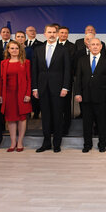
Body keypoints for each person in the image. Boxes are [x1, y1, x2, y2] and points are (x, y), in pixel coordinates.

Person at [32, 24, 71, 153]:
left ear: (58, 34)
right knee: (46, 117)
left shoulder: (63, 50)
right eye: (49, 32)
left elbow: (67, 70)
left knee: (58, 116)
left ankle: (57, 143)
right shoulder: (38, 49)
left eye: (54, 32)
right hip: (42, 88)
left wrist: (65, 87)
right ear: (44, 34)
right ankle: (46, 143)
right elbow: (35, 70)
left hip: (58, 88)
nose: (52, 34)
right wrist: (35, 88)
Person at [75, 38, 106, 153]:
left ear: (101, 47)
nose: (95, 46)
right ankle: (87, 144)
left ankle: (102, 144)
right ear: (89, 46)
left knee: (102, 122)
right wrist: (77, 93)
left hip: (101, 97)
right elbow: (78, 79)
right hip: (85, 96)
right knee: (87, 122)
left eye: (97, 44)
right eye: (93, 44)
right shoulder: (82, 60)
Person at [0, 41, 32, 152]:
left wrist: (28, 94)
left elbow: (29, 79)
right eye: (12, 48)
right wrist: (0, 95)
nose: (14, 50)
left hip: (21, 94)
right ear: (8, 50)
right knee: (11, 119)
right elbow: (1, 80)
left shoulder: (26, 62)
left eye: (16, 48)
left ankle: (20, 142)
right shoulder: (4, 63)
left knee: (22, 118)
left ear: (20, 50)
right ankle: (13, 142)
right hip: (8, 95)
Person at [57, 26, 76, 134]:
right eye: (62, 32)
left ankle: (66, 127)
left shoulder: (72, 47)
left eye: (66, 33)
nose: (64, 35)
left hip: (66, 80)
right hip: (54, 80)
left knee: (66, 105)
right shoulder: (53, 46)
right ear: (58, 33)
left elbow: (70, 63)